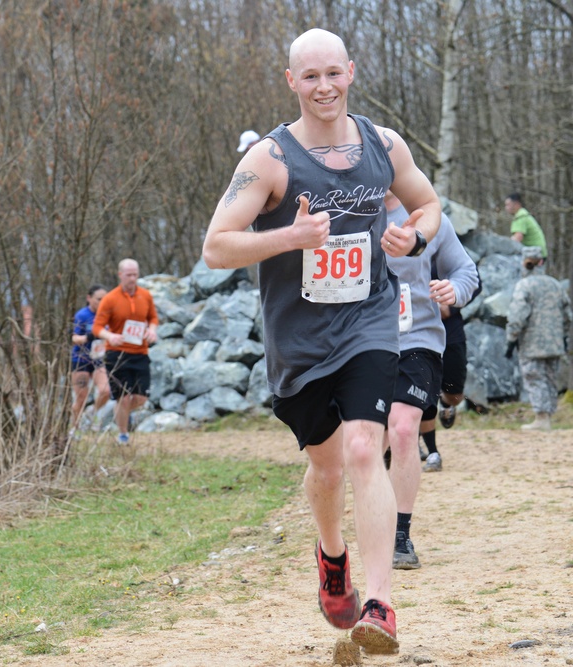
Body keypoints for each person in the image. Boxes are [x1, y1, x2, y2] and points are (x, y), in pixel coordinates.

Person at [201, 29, 442, 655]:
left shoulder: (383, 145)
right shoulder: (268, 161)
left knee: (367, 446)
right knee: (327, 465)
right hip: (299, 340)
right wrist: (289, 238)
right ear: (291, 81)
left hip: (369, 322)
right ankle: (331, 555)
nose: (324, 87)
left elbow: (429, 205)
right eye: (310, 77)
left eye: (334, 73)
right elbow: (215, 246)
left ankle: (380, 604)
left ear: (352, 72)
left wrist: (413, 238)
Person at [382, 191, 478, 570]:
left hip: (416, 339)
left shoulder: (426, 217)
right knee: (366, 443)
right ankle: (362, 529)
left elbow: (466, 272)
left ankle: (400, 535)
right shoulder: (345, 211)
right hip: (358, 343)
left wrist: (454, 291)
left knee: (403, 428)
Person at [418, 262, 481, 472]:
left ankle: (446, 405)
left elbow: (475, 280)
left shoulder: (444, 243)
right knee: (420, 394)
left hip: (450, 332)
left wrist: (452, 304)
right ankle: (429, 450)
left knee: (454, 394)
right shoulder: (396, 241)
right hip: (416, 332)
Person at [92, 259, 159, 445]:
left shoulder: (145, 295)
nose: (132, 278)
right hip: (116, 354)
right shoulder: (110, 299)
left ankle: (119, 415)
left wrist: (152, 330)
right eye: (128, 275)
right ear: (120, 275)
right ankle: (123, 435)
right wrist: (110, 336)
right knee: (122, 398)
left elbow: (153, 318)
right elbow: (97, 327)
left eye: (135, 274)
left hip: (140, 352)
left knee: (141, 398)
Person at [505, 246, 570, 431]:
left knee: (534, 377)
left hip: (532, 343)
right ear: (541, 262)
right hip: (555, 342)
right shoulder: (555, 284)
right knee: (550, 378)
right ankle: (547, 415)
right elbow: (568, 314)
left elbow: (517, 315)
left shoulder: (524, 285)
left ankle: (541, 417)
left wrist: (511, 339)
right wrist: (563, 336)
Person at [70, 284, 111, 428]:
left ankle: (92, 413)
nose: (102, 302)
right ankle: (75, 428)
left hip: (98, 359)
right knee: (81, 397)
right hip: (80, 359)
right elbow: (74, 338)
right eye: (99, 299)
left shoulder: (107, 315)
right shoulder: (82, 316)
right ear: (89, 298)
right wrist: (88, 337)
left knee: (105, 391)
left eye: (105, 299)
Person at [505, 192, 547, 259]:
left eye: (508, 205)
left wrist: (503, 245)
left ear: (516, 204)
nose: (506, 208)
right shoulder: (524, 214)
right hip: (539, 253)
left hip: (535, 255)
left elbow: (517, 238)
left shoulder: (520, 217)